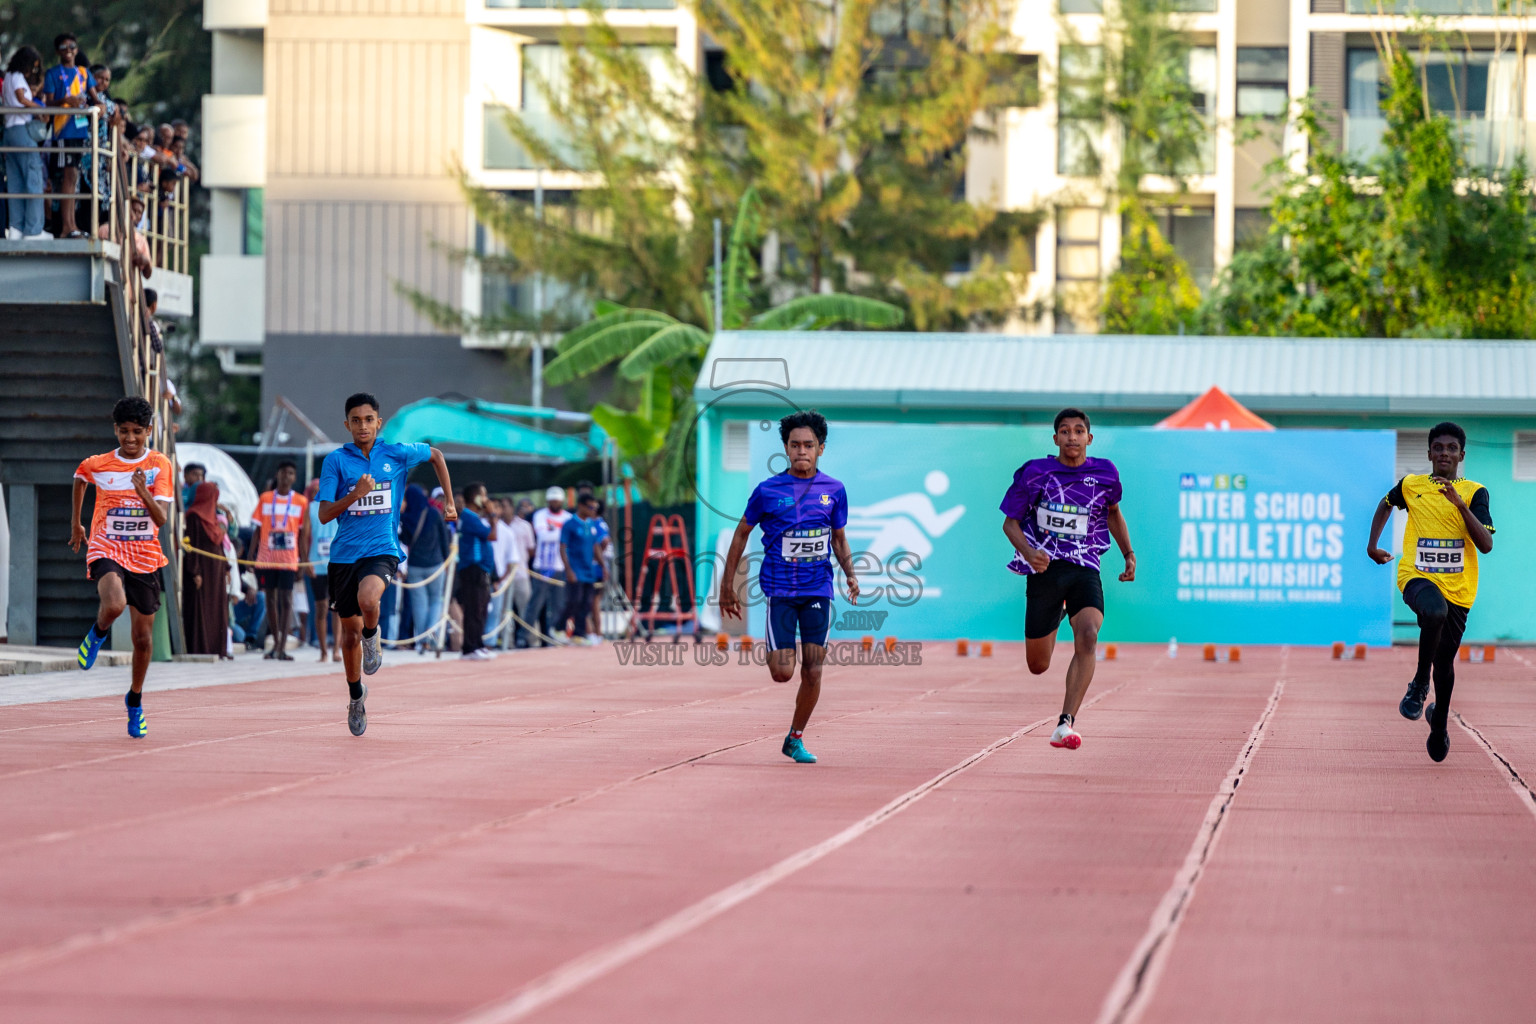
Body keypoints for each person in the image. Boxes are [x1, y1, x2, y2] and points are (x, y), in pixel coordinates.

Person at [719, 411, 859, 764]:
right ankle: (781, 655)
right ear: (785, 448)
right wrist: (726, 586)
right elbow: (740, 534)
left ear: (821, 449)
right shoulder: (767, 491)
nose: (801, 451)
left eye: (808, 445)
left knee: (813, 668)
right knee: (783, 673)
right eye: (795, 445)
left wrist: (850, 574)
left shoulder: (834, 490)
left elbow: (839, 539)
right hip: (780, 590)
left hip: (818, 589)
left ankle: (795, 738)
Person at [318, 392, 456, 736]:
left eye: (369, 420)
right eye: (356, 420)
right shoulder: (336, 461)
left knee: (369, 601)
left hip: (382, 549)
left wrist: (450, 502)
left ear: (379, 423)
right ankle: (355, 696)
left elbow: (436, 455)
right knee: (346, 636)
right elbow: (323, 515)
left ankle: (372, 635)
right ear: (346, 424)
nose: (362, 426)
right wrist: (354, 495)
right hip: (344, 556)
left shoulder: (395, 453)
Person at [999, 408, 1136, 751]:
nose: (1072, 437)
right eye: (1065, 431)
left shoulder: (1106, 474)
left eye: (1078, 431)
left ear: (1089, 438)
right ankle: (1058, 615)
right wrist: (1030, 553)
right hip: (1045, 569)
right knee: (1038, 665)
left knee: (1089, 634)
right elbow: (1010, 524)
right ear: (1055, 438)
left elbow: (1113, 513)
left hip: (1085, 566)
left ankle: (1065, 723)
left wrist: (1128, 554)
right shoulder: (1035, 474)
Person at [1366, 421, 1495, 763]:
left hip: (1460, 589)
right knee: (1433, 612)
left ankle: (1439, 722)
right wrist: (1372, 545)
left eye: (1451, 448)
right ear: (1429, 453)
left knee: (1446, 663)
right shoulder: (1412, 485)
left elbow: (1486, 544)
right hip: (1417, 576)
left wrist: (1460, 505)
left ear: (1461, 455)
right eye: (1438, 448)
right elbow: (1385, 503)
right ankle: (1419, 684)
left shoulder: (1474, 492)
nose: (1444, 453)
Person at [71, 397, 173, 738]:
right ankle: (97, 633)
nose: (130, 439)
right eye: (124, 432)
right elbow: (80, 477)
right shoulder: (100, 463)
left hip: (144, 555)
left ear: (149, 431)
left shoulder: (159, 464)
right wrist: (77, 524)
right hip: (107, 546)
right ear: (115, 429)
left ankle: (135, 700)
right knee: (113, 604)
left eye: (137, 433)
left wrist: (142, 490)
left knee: (143, 641)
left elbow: (160, 519)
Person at [247, 460, 309, 660]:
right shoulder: (265, 498)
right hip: (266, 558)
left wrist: (302, 561)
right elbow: (257, 529)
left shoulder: (300, 501)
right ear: (277, 475)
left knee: (287, 599)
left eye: (290, 473)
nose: (286, 476)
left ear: (294, 477)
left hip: (289, 559)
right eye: (283, 472)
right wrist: (251, 555)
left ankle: (282, 647)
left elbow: (301, 534)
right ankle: (275, 643)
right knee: (271, 600)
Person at [42, 34, 99, 240]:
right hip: (63, 131)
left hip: (80, 130)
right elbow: (47, 103)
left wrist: (99, 107)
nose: (68, 50)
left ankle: (72, 224)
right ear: (58, 51)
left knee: (73, 177)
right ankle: (66, 227)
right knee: (68, 177)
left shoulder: (83, 73)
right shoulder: (53, 73)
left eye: (72, 46)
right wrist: (66, 100)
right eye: (64, 47)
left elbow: (95, 98)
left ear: (76, 49)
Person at [3, 45, 50, 241]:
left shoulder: (7, 78)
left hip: (9, 132)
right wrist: (40, 108)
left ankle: (16, 228)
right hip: (21, 130)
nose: (33, 71)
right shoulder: (18, 77)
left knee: (15, 182)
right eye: (33, 66)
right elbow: (22, 99)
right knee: (33, 179)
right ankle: (33, 230)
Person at [400, 483, 451, 652]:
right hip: (436, 565)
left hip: (415, 567)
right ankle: (431, 634)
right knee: (436, 600)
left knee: (419, 605)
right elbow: (445, 540)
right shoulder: (433, 513)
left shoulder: (406, 517)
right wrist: (446, 561)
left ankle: (422, 642)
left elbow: (406, 541)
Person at [182, 481, 229, 656]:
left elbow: (220, 546)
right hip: (202, 570)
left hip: (216, 571)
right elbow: (191, 545)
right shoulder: (194, 516)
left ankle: (217, 648)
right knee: (201, 608)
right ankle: (201, 648)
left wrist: (227, 568)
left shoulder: (215, 519)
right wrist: (195, 571)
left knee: (217, 609)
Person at [456, 484, 498, 660]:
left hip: (480, 568)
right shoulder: (469, 517)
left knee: (481, 608)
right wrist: (493, 516)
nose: (487, 499)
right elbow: (493, 535)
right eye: (484, 495)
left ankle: (477, 644)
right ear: (476, 498)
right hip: (473, 568)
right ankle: (470, 647)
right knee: (474, 608)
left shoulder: (473, 517)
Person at [559, 495, 606, 645]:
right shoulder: (570, 524)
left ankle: (579, 633)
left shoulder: (591, 524)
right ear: (581, 506)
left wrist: (603, 566)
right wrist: (568, 570)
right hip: (576, 569)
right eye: (591, 507)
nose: (594, 511)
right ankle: (558, 628)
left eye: (595, 508)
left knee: (587, 603)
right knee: (575, 600)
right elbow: (562, 547)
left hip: (589, 571)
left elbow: (596, 546)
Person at [527, 486, 571, 645]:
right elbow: (543, 535)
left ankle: (554, 639)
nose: (555, 503)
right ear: (548, 501)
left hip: (560, 567)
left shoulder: (568, 517)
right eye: (552, 500)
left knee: (559, 605)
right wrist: (560, 534)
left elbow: (565, 539)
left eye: (557, 500)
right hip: (542, 566)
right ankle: (524, 637)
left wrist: (554, 532)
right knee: (535, 604)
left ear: (562, 501)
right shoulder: (540, 515)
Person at [305, 478, 340, 661]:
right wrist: (305, 560)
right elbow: (305, 536)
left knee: (337, 608)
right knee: (321, 607)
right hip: (316, 564)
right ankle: (323, 650)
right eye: (314, 490)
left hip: (336, 563)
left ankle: (336, 650)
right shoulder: (310, 508)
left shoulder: (338, 503)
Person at [504, 497, 536, 647]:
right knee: (503, 612)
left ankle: (530, 640)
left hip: (521, 573)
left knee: (526, 610)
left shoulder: (524, 526)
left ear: (511, 508)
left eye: (504, 506)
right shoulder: (495, 526)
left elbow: (531, 550)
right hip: (502, 577)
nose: (502, 510)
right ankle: (506, 641)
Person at [232, 582, 266, 652]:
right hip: (224, 614)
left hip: (234, 609)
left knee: (261, 597)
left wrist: (247, 588)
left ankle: (250, 638)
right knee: (240, 636)